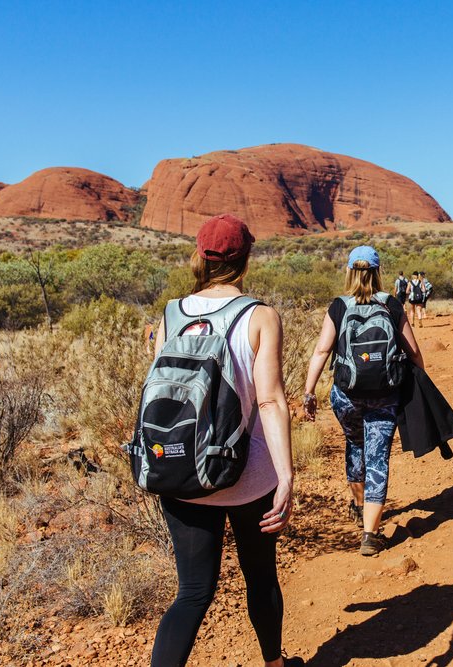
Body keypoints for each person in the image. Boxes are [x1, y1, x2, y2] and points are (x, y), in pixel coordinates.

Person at [149, 214, 303, 667]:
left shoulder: (170, 313)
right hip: (247, 476)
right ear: (245, 259)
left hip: (180, 468)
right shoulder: (259, 316)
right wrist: (286, 476)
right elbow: (271, 401)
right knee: (260, 578)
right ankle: (274, 663)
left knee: (192, 594)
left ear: (200, 256)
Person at [302, 246, 425, 556]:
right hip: (385, 394)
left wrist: (308, 391)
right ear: (377, 272)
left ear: (350, 271)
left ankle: (359, 506)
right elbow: (413, 351)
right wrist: (421, 384)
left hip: (346, 394)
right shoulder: (391, 305)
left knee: (355, 444)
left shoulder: (339, 306)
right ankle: (370, 535)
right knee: (378, 455)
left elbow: (321, 351)